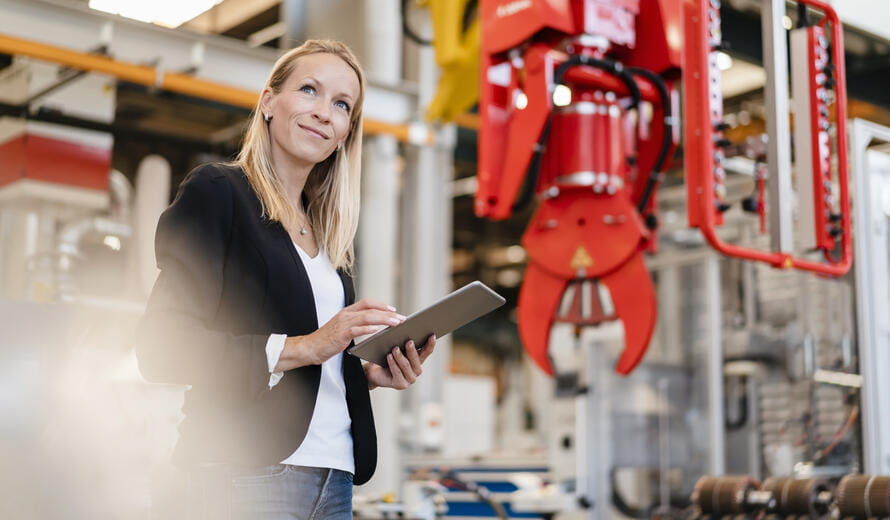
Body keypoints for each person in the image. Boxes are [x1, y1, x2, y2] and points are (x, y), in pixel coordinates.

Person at [134, 39, 436, 520]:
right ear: (268, 102)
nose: (324, 113)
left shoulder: (330, 239)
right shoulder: (219, 192)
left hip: (332, 477)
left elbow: (307, 368)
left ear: (344, 135)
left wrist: (362, 376)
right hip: (243, 472)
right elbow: (162, 347)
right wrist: (312, 345)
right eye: (310, 91)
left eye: (341, 105)